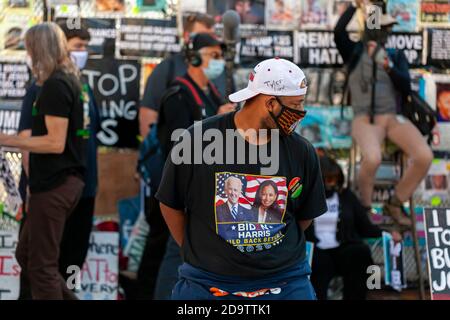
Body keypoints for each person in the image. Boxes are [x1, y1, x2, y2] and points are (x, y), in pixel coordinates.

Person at [156, 58, 327, 300]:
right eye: (295, 105)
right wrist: (198, 251)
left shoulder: (301, 150)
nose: (300, 113)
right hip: (207, 284)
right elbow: (170, 203)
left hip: (285, 283)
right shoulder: (198, 140)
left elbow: (304, 217)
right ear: (269, 103)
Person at [0, 22, 87, 299]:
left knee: (41, 267)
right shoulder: (64, 81)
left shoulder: (55, 85)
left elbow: (54, 142)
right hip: (55, 183)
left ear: (38, 49)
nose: (27, 54)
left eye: (28, 48)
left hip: (54, 184)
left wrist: (6, 139)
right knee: (26, 255)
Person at [148, 33, 236, 300]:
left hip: (204, 188)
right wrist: (217, 121)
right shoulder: (178, 93)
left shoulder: (210, 92)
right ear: (194, 57)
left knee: (188, 255)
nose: (218, 62)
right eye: (213, 55)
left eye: (221, 56)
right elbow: (180, 144)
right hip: (181, 190)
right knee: (176, 252)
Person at [334, 0, 433, 228]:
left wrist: (388, 66)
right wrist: (354, 5)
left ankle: (395, 202)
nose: (384, 34)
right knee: (373, 157)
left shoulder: (396, 55)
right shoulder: (355, 51)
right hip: (365, 118)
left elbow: (406, 87)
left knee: (424, 155)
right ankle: (366, 208)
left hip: (392, 117)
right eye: (381, 29)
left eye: (387, 30)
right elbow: (339, 32)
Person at [306, 154, 401, 300]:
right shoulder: (306, 196)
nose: (329, 184)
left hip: (342, 247)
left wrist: (388, 233)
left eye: (333, 180)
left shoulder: (346, 196)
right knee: (317, 265)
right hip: (316, 250)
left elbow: (365, 226)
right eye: (325, 179)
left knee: (360, 253)